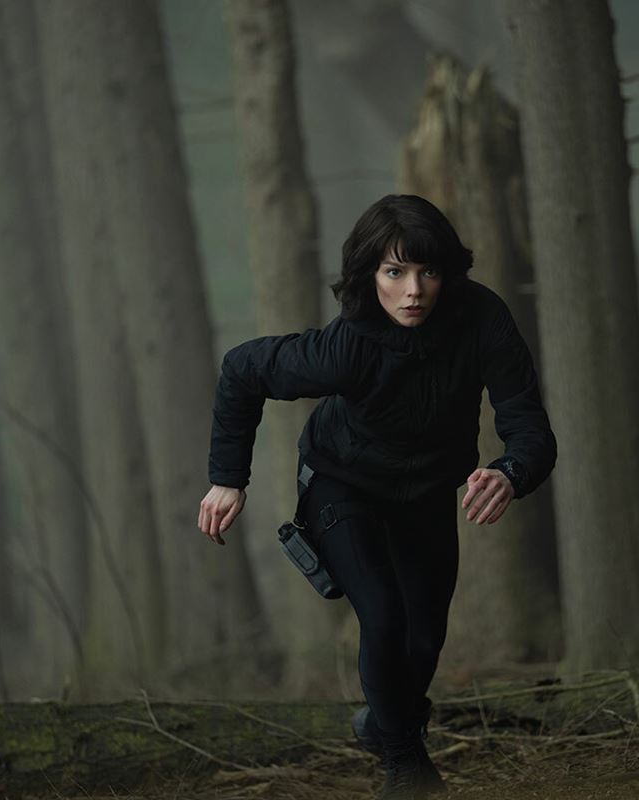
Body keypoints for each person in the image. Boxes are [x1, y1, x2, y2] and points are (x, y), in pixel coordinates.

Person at [198, 194, 557, 799]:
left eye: (428, 271)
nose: (413, 290)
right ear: (370, 275)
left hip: (426, 492)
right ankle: (406, 771)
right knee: (383, 617)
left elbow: (529, 425)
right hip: (342, 485)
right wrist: (228, 477)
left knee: (424, 639)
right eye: (395, 272)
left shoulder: (480, 318)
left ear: (447, 272)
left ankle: (383, 724)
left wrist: (509, 472)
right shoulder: (346, 347)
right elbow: (241, 370)